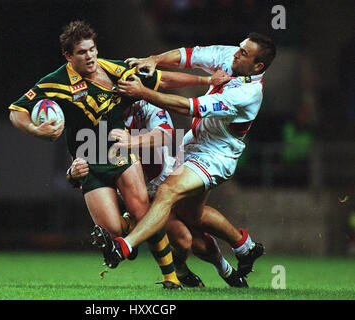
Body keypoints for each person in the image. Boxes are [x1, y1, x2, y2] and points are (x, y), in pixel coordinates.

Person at [8, 20, 230, 289]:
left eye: (92, 50)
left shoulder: (115, 70)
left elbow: (162, 79)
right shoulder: (55, 82)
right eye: (81, 52)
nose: (89, 56)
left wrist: (206, 80)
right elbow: (16, 110)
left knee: (143, 211)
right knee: (112, 231)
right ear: (68, 56)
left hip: (118, 154)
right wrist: (35, 129)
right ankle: (126, 232)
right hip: (88, 162)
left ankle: (170, 279)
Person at [93, 33, 277, 280]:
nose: (236, 52)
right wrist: (155, 59)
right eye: (240, 47)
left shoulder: (248, 94)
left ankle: (123, 246)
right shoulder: (231, 56)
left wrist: (143, 93)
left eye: (243, 52)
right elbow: (188, 55)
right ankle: (244, 247)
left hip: (216, 155)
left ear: (258, 66)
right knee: (192, 216)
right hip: (192, 144)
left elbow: (188, 107)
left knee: (167, 194)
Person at [72, 100, 247, 287]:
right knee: (184, 240)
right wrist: (72, 174)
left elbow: (167, 134)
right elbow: (81, 161)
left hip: (168, 180)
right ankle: (179, 268)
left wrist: (132, 141)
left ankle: (228, 268)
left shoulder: (145, 106)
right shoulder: (96, 119)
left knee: (198, 239)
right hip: (141, 195)